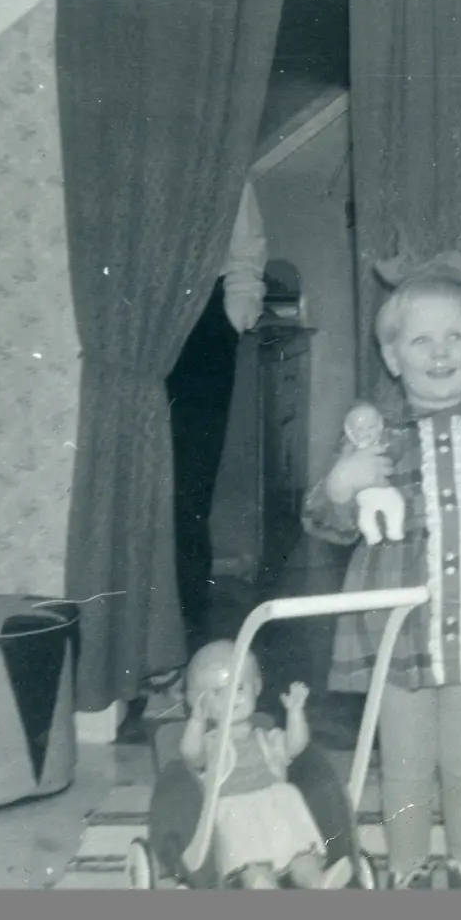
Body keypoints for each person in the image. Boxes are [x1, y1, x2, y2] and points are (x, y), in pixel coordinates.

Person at [303, 254, 461, 890]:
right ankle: (406, 875)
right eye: (420, 340)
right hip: (397, 635)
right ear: (392, 358)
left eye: (455, 337)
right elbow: (325, 523)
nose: (439, 353)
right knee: (406, 767)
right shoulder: (373, 438)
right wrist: (341, 484)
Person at [147, 639, 352, 889]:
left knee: (302, 856)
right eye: (218, 692)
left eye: (240, 687)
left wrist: (295, 713)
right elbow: (190, 754)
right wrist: (197, 721)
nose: (232, 697)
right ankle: (262, 885)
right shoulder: (211, 743)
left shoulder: (264, 736)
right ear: (200, 700)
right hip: (235, 813)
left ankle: (317, 882)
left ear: (256, 687)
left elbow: (295, 746)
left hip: (277, 809)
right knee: (255, 867)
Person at [166, 180, 268, 651]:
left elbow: (245, 246)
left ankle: (187, 630)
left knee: (191, 480)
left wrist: (232, 315)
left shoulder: (216, 143)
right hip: (138, 312)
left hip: (204, 319)